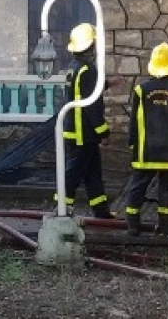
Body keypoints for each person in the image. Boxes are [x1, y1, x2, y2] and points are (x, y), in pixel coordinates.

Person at [123, 42, 168, 237]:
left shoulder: (140, 90)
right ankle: (165, 227)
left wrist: (132, 143)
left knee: (137, 186)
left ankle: (133, 226)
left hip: (146, 149)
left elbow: (134, 120)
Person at [57, 22, 113, 219]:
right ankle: (61, 210)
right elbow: (92, 104)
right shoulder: (89, 70)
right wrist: (103, 132)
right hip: (84, 133)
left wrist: (106, 84)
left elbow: (82, 91)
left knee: (92, 174)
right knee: (73, 174)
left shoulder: (74, 68)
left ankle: (101, 211)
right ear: (91, 46)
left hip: (74, 129)